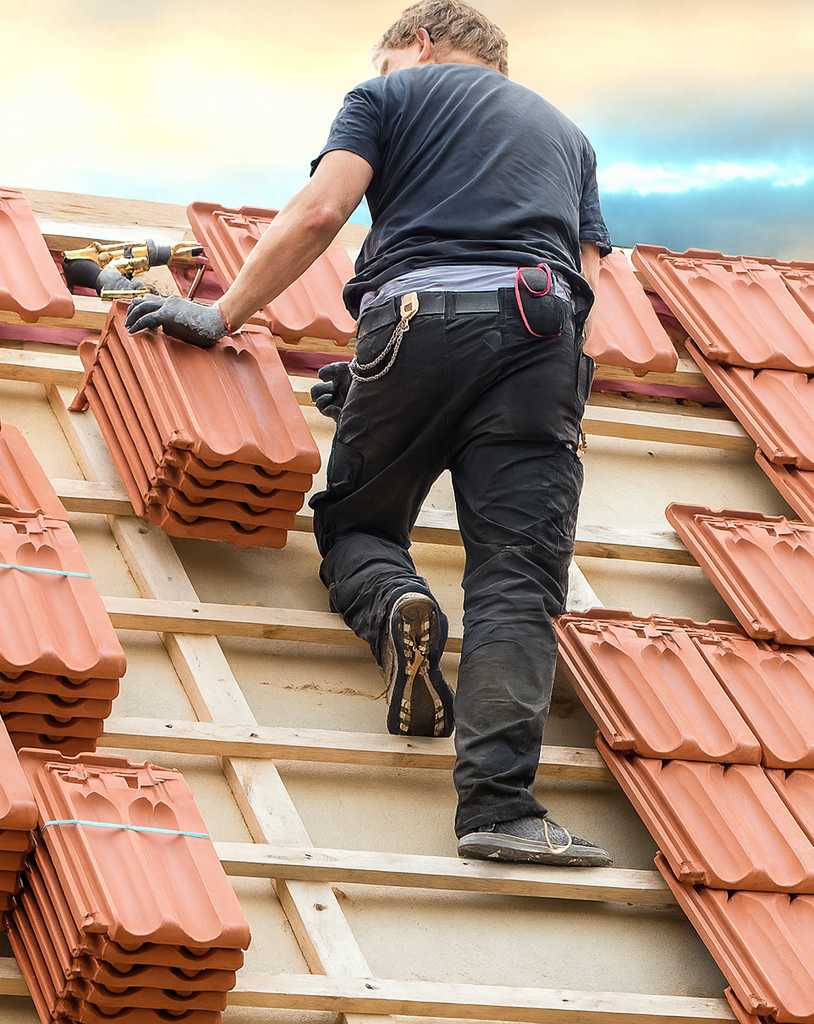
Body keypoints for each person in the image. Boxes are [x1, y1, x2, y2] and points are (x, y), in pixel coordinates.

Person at [126, 0, 612, 867]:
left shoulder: (388, 95)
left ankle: (394, 606)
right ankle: (499, 810)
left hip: (415, 313)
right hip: (543, 338)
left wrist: (223, 314)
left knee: (357, 523)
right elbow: (587, 284)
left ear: (417, 44)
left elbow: (323, 211)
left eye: (384, 58)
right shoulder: (570, 139)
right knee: (517, 577)